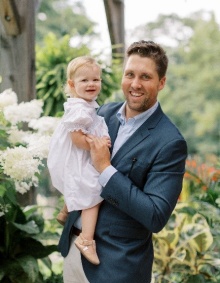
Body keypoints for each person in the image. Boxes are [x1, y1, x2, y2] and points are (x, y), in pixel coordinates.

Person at [58, 40, 188, 283]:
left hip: (117, 267)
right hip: (73, 252)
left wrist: (105, 169)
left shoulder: (170, 142)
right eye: (130, 74)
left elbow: (155, 216)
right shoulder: (103, 112)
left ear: (161, 82)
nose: (135, 84)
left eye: (146, 77)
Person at [47, 56, 111, 266]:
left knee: (79, 183)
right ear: (72, 85)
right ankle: (86, 240)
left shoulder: (85, 104)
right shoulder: (80, 109)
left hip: (79, 156)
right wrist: (97, 144)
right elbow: (77, 140)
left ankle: (66, 209)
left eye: (96, 79)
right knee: (94, 191)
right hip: (79, 155)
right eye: (84, 81)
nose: (91, 84)